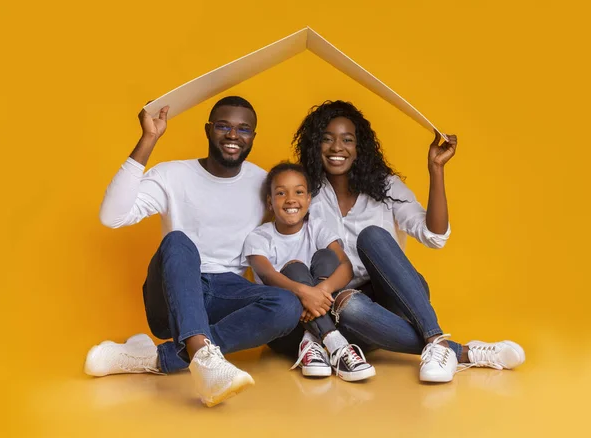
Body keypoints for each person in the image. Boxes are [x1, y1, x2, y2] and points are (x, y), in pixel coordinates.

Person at [269, 100, 525, 383]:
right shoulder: (305, 194)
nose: (336, 148)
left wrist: (436, 170)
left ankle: (435, 337)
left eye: (347, 140)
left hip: (397, 294)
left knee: (373, 236)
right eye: (326, 139)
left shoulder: (385, 186)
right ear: (314, 145)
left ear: (359, 146)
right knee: (348, 304)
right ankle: (463, 352)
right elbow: (284, 246)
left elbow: (434, 236)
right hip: (338, 307)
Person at [84, 96, 302, 406]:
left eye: (243, 129)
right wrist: (149, 138)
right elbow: (112, 216)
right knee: (178, 240)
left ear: (253, 137)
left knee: (286, 305)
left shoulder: (263, 182)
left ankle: (156, 357)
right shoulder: (173, 175)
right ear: (208, 129)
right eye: (224, 126)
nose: (233, 136)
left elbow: (290, 228)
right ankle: (203, 356)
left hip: (227, 294)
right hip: (173, 294)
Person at [242, 162, 375, 382]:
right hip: (285, 328)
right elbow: (268, 276)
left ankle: (315, 343)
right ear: (270, 202)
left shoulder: (317, 227)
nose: (291, 199)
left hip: (324, 311)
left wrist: (319, 291)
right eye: (281, 193)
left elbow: (345, 267)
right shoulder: (259, 238)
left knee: (327, 257)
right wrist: (304, 293)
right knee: (294, 268)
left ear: (309, 199)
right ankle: (337, 346)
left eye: (299, 192)